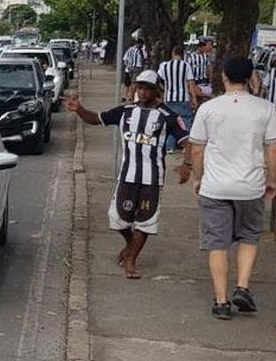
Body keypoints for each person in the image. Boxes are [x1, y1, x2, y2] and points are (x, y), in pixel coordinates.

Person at [66, 70, 190, 279]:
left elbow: (187, 140)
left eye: (147, 88)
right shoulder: (125, 112)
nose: (142, 92)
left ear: (156, 91)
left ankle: (131, 259)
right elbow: (97, 119)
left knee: (146, 220)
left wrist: (187, 164)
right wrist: (79, 110)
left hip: (152, 179)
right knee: (118, 218)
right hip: (127, 176)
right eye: (139, 87)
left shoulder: (169, 116)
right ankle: (131, 244)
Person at [186, 57, 276, 320]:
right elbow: (275, 148)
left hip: (215, 186)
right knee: (249, 236)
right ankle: (243, 286)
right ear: (251, 77)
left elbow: (196, 148)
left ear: (224, 77)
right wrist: (272, 180)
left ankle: (221, 300)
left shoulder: (209, 108)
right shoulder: (266, 108)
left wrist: (199, 177)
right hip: (251, 186)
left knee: (217, 243)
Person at [156, 45, 198, 151]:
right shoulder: (186, 65)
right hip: (183, 97)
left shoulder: (165, 66)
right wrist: (194, 98)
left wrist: (165, 89)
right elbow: (191, 83)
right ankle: (186, 146)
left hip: (169, 97)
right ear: (182, 54)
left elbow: (158, 80)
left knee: (170, 121)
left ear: (172, 53)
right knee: (186, 121)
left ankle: (170, 146)